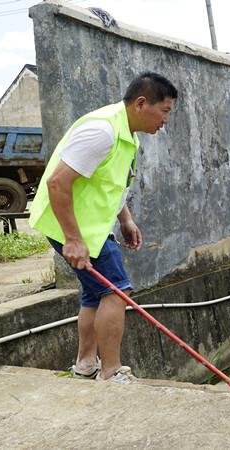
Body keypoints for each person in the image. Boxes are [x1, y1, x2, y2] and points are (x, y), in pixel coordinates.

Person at [29, 72, 178, 383]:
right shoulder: (102, 131)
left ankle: (85, 365)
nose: (165, 121)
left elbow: (107, 183)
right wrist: (72, 239)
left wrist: (125, 219)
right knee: (116, 292)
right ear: (141, 103)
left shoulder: (128, 134)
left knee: (95, 294)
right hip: (73, 227)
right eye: (164, 111)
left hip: (92, 228)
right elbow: (58, 183)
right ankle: (111, 372)